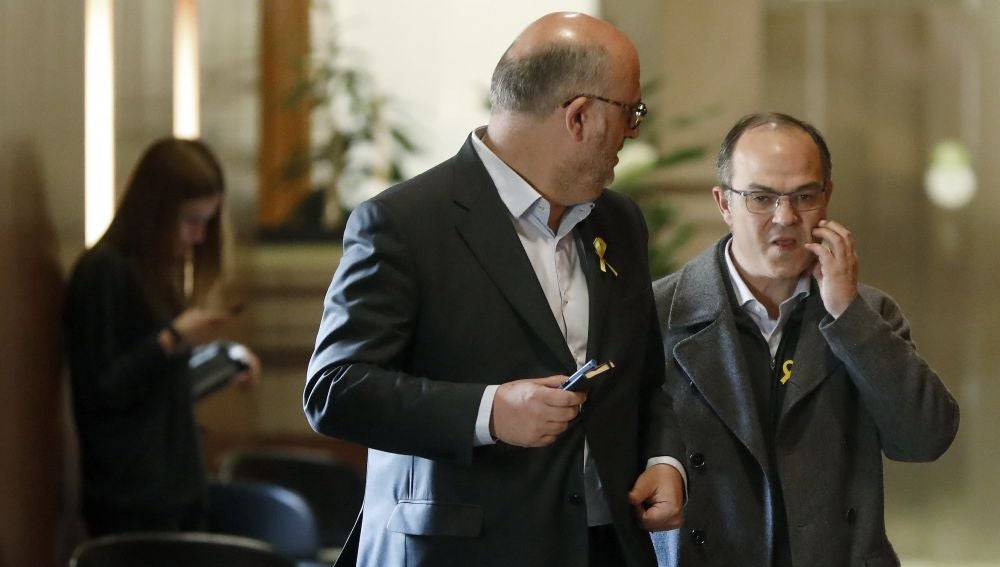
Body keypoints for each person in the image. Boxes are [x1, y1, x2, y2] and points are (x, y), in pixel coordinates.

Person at [305, 12, 687, 567]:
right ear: (579, 116)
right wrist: (489, 412)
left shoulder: (619, 221)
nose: (633, 132)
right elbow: (335, 390)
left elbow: (645, 379)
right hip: (463, 551)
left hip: (606, 546)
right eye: (630, 113)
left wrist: (663, 460)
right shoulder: (405, 222)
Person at [650, 112, 960, 566]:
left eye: (804, 196)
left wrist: (847, 314)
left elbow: (925, 438)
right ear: (724, 203)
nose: (786, 217)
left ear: (827, 197)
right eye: (761, 198)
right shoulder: (659, 313)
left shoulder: (869, 312)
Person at [64, 137, 260, 537]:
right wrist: (171, 339)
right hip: (131, 500)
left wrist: (226, 357)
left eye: (206, 222)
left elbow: (163, 384)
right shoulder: (103, 272)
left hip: (175, 489)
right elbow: (101, 390)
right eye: (191, 220)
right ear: (155, 212)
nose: (198, 236)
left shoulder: (157, 273)